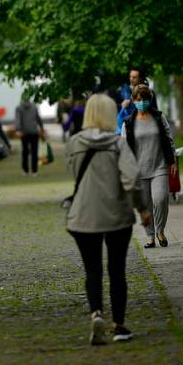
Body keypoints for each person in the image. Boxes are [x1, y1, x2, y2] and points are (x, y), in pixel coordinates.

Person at [65, 94, 151, 345]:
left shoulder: (74, 143)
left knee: (92, 270)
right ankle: (120, 326)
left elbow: (74, 173)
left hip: (83, 215)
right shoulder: (117, 144)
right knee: (117, 270)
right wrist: (142, 209)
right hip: (116, 214)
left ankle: (96, 313)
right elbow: (132, 180)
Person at [122, 84, 177, 249]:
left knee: (160, 199)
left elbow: (169, 138)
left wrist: (172, 159)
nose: (142, 102)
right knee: (145, 205)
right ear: (133, 100)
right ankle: (150, 236)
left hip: (159, 166)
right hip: (138, 169)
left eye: (145, 99)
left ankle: (160, 230)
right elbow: (124, 147)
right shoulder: (129, 123)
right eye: (139, 99)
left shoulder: (159, 117)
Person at [116, 67, 159, 131]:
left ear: (140, 78)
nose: (131, 79)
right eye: (130, 77)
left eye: (134, 77)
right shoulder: (122, 91)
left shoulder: (149, 92)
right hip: (127, 125)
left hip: (145, 124)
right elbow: (116, 108)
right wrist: (122, 105)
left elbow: (155, 110)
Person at [14, 96, 47, 176]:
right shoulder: (34, 106)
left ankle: (25, 171)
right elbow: (38, 118)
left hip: (24, 132)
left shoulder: (19, 108)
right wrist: (42, 128)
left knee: (25, 152)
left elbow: (18, 119)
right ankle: (34, 171)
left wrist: (18, 130)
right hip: (34, 131)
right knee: (34, 151)